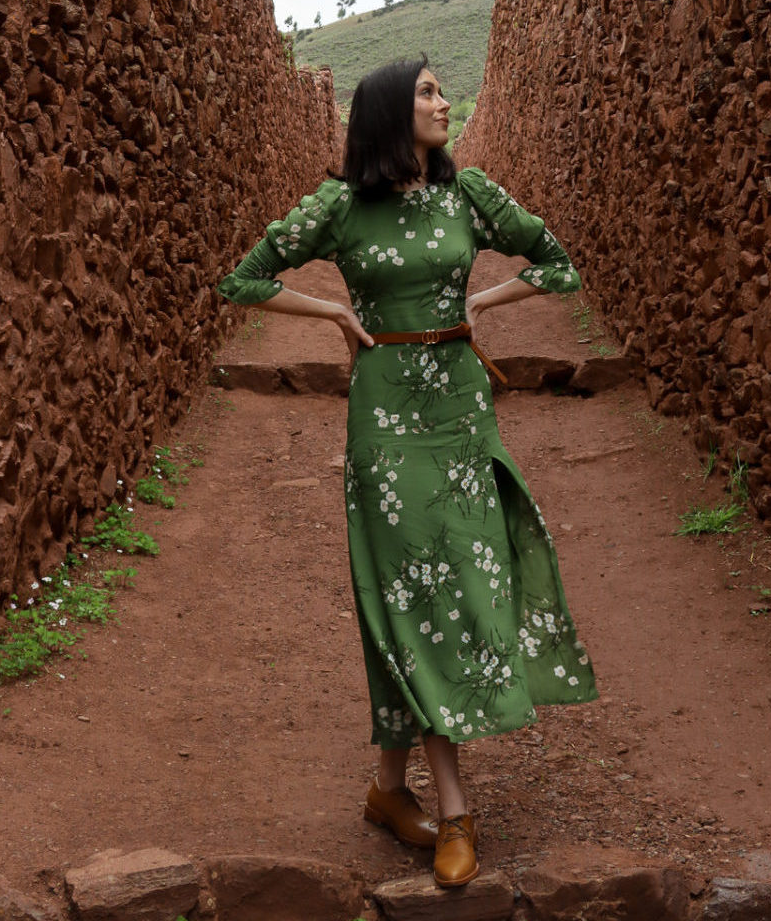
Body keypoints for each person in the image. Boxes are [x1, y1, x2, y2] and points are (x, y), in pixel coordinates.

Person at [218, 54, 596, 888]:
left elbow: (558, 263)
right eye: (427, 91)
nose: (443, 101)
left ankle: (390, 791)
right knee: (414, 595)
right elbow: (240, 281)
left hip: (462, 415)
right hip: (384, 425)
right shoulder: (342, 207)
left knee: (456, 584)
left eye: (442, 89)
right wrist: (329, 310)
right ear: (389, 111)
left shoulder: (471, 194)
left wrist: (485, 302)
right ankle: (454, 809)